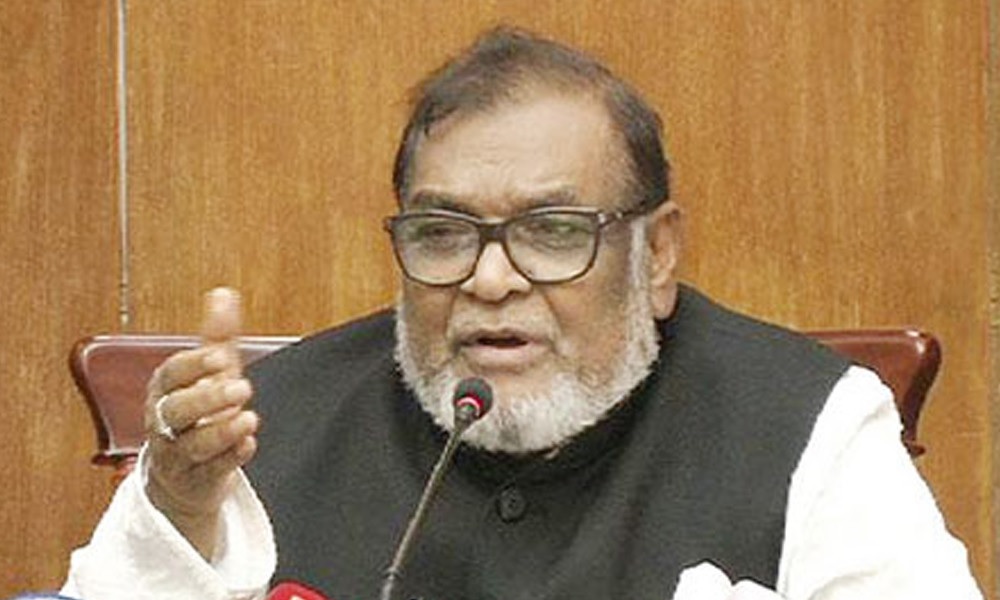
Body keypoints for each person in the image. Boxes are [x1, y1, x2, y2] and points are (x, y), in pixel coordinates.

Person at [61, 27, 982, 600]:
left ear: (657, 254)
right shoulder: (271, 424)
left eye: (552, 231)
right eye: (442, 232)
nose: (491, 279)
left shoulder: (810, 423)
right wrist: (178, 510)